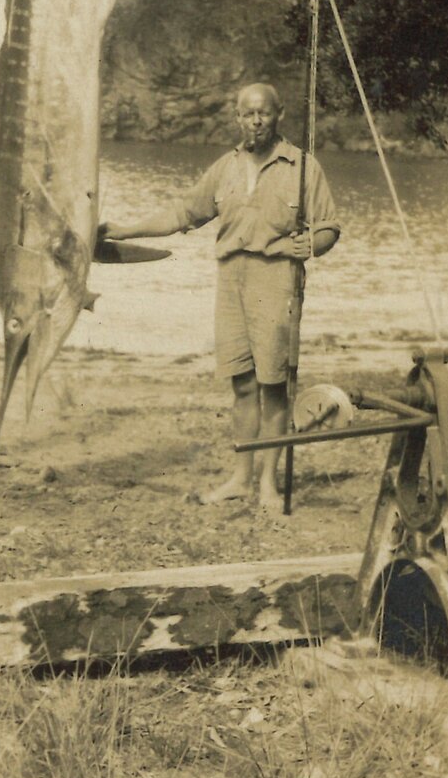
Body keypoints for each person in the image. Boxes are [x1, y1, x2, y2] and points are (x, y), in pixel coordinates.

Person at [100, 82, 340, 511]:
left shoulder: (303, 167)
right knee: (243, 386)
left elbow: (328, 225)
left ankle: (269, 484)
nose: (256, 121)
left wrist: (314, 244)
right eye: (247, 114)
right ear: (237, 117)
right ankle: (240, 478)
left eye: (263, 113)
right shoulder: (224, 168)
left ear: (279, 114)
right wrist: (124, 229)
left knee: (274, 388)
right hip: (231, 281)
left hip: (276, 279)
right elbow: (181, 214)